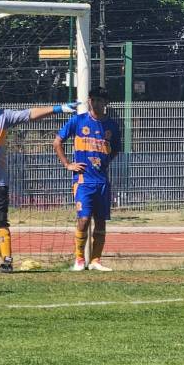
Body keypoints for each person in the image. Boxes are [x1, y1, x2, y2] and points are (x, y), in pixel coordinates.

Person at [0, 78, 77, 273]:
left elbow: (29, 114)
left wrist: (59, 109)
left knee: (0, 223)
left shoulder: (2, 117)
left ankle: (6, 262)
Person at [53, 86, 121, 272]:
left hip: (102, 181)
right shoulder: (78, 120)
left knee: (101, 221)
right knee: (83, 219)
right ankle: (79, 259)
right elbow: (57, 142)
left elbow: (116, 149)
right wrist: (68, 164)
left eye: (100, 100)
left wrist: (104, 161)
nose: (95, 103)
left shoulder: (112, 126)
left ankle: (96, 260)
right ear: (89, 101)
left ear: (106, 103)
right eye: (93, 99)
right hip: (83, 181)